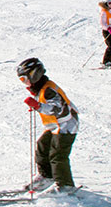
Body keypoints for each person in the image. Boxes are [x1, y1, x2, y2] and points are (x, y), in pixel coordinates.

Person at [17, 57, 80, 194]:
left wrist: (38, 106)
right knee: (42, 146)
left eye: (25, 79)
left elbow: (58, 109)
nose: (25, 83)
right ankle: (47, 176)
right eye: (22, 80)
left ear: (35, 75)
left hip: (67, 125)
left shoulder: (48, 90)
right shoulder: (41, 89)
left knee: (57, 154)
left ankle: (66, 185)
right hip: (56, 126)